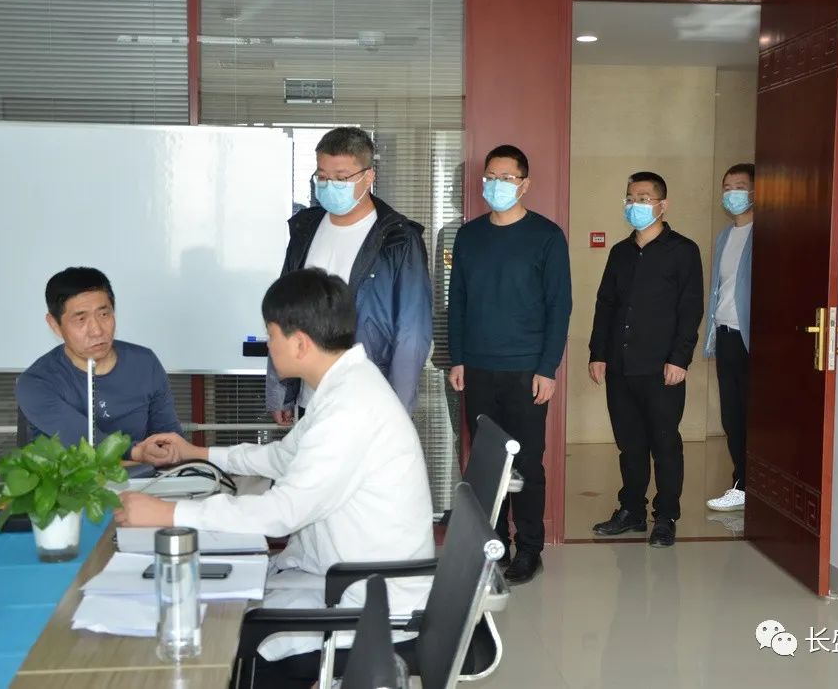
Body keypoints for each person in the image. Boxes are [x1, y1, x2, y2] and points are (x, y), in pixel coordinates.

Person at [116, 268, 434, 686]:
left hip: (371, 605)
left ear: (300, 343)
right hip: (342, 578)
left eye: (271, 335)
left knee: (233, 646)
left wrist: (167, 513)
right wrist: (197, 453)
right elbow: (284, 457)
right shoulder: (345, 386)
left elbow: (281, 514)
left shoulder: (350, 409)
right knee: (229, 607)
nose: (268, 345)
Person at [447, 144, 573, 584]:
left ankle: (530, 548)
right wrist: (458, 358)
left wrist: (547, 368)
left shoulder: (547, 236)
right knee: (488, 463)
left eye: (506, 177)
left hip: (526, 371)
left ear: (524, 184)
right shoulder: (469, 236)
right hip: (478, 368)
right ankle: (495, 543)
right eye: (490, 177)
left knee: (527, 463)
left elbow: (559, 307)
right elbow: (457, 302)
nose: (496, 185)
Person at [267, 127, 432, 423]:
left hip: (369, 398)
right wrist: (281, 389)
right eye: (322, 176)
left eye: (341, 178)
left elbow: (412, 330)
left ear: (368, 177)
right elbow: (285, 311)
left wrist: (398, 408)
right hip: (310, 397)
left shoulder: (398, 239)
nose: (330, 185)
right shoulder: (305, 229)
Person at [589, 172, 703, 548]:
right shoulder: (620, 253)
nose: (634, 204)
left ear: (662, 205)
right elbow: (606, 305)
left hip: (661, 368)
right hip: (621, 366)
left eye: (642, 198)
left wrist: (680, 359)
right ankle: (632, 510)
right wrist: (598, 353)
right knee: (630, 444)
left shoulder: (683, 251)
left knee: (664, 444)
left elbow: (690, 309)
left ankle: (665, 516)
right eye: (629, 198)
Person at [15, 267, 182, 457]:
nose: (96, 331)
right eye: (81, 319)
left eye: (104, 315)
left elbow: (169, 435)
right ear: (54, 324)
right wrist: (137, 453)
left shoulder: (145, 363)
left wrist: (169, 451)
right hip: (71, 476)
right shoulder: (36, 383)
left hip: (145, 475)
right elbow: (86, 444)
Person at [705, 163, 755, 512]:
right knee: (732, 416)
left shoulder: (763, 234)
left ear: (755, 192)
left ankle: (747, 483)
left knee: (752, 416)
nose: (731, 193)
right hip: (725, 335)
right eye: (726, 187)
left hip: (750, 337)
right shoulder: (725, 236)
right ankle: (742, 480)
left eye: (739, 186)